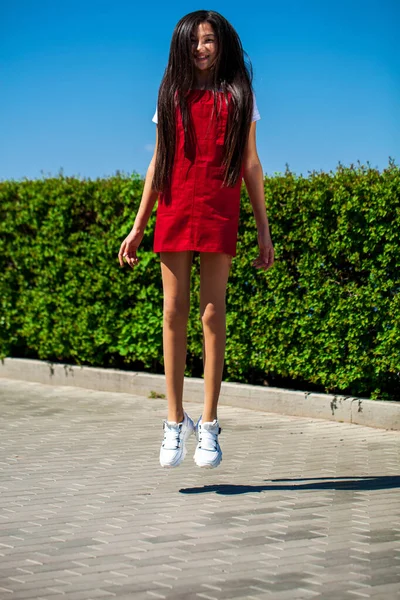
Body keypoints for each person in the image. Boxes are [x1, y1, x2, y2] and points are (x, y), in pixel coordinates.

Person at [118, 10, 274, 470]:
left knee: (211, 314)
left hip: (219, 208)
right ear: (181, 47)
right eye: (193, 42)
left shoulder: (241, 96)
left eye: (209, 41)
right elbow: (157, 163)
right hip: (175, 206)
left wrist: (263, 228)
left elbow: (250, 165)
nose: (201, 49)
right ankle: (172, 422)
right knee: (173, 311)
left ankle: (208, 425)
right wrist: (138, 223)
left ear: (222, 44)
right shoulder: (169, 95)